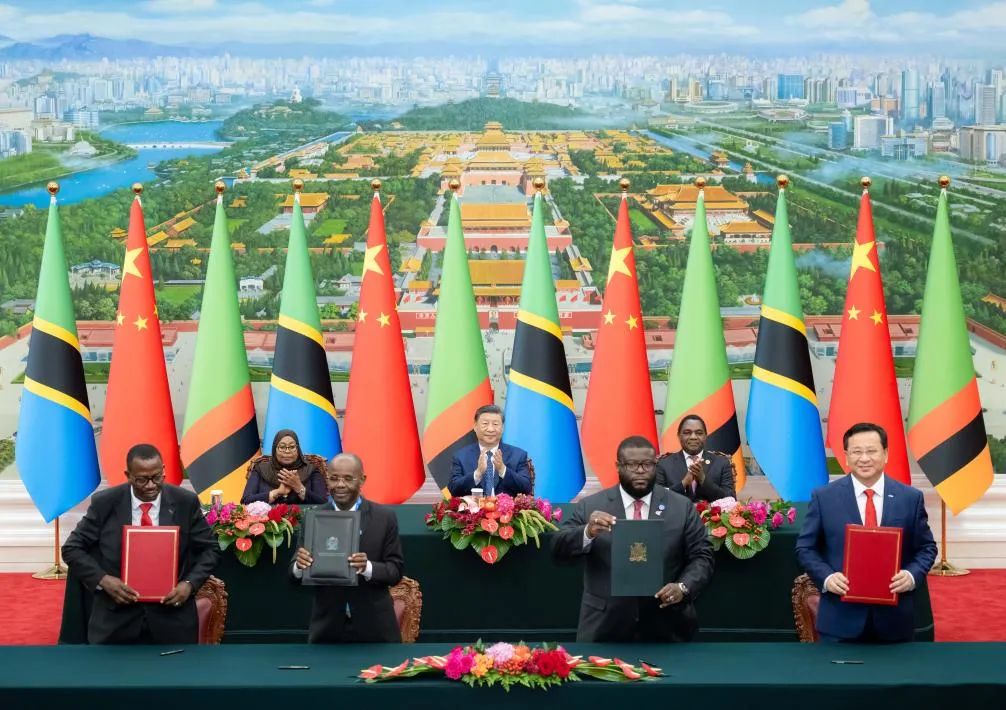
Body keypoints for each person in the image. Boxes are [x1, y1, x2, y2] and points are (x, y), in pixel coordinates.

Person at [552, 435, 714, 642]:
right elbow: (558, 547)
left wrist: (683, 587)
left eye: (647, 464)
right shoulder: (591, 506)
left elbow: (702, 556)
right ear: (618, 466)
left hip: (667, 626)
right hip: (604, 626)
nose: (640, 470)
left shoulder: (681, 507)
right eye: (631, 465)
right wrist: (587, 532)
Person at [61, 443, 220, 645]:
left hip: (172, 619)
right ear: (128, 475)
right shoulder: (105, 503)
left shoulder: (185, 502)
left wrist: (189, 584)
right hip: (115, 619)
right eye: (142, 480)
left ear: (164, 470)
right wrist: (103, 580)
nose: (151, 485)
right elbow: (72, 548)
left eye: (157, 477)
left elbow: (211, 549)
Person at [795, 422, 938, 643]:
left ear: (886, 454)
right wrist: (827, 577)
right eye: (856, 452)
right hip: (840, 620)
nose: (864, 458)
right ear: (846, 456)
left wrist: (911, 575)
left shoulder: (910, 498)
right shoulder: (824, 497)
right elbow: (805, 548)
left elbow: (927, 548)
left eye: (871, 451)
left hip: (895, 620)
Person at [292, 452, 405, 643]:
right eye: (334, 478)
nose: (340, 485)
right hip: (327, 631)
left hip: (376, 630)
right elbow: (292, 574)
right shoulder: (313, 517)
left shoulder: (384, 517)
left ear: (362, 480)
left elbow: (395, 571)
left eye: (348, 478)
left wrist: (367, 567)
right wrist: (299, 566)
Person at [447, 404, 532, 497]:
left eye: (495, 424)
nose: (490, 429)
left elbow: (526, 488)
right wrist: (477, 473)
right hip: (473, 506)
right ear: (475, 426)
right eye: (485, 424)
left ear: (502, 428)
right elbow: (454, 489)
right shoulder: (460, 456)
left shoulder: (518, 455)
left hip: (507, 506)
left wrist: (503, 470)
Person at [654, 414, 736, 502]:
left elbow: (730, 499)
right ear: (679, 436)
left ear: (705, 436)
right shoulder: (664, 464)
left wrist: (703, 479)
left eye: (699, 433)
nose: (693, 437)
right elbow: (656, 498)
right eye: (687, 433)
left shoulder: (722, 463)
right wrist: (683, 484)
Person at [241, 429, 327, 505]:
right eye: (282, 447)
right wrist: (277, 492)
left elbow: (323, 503)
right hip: (267, 518)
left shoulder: (311, 469)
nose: (287, 451)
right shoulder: (260, 468)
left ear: (298, 449)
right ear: (275, 449)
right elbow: (246, 500)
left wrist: (299, 487)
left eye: (292, 447)